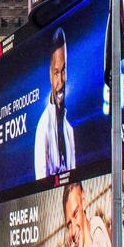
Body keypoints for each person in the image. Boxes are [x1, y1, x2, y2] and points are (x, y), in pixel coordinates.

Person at [34, 28, 77, 179]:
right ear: (50, 75)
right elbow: (40, 185)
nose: (61, 81)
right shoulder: (43, 128)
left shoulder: (69, 131)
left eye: (64, 70)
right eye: (57, 72)